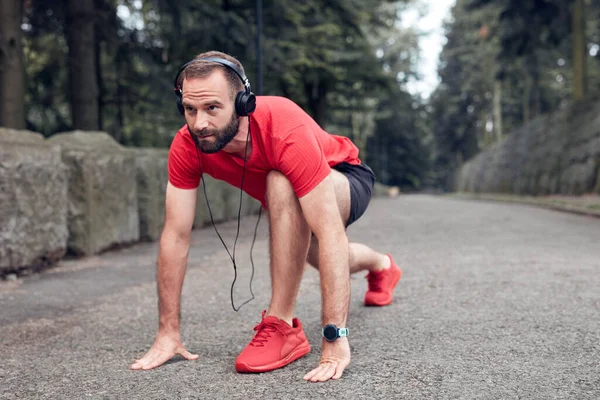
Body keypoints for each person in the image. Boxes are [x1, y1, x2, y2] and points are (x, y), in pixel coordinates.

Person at [130, 51, 402, 382]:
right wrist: (167, 332)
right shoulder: (188, 145)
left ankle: (281, 324)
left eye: (212, 108)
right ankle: (382, 266)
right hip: (290, 199)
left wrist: (335, 339)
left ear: (242, 102)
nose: (199, 123)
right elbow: (175, 235)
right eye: (190, 109)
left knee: (282, 183)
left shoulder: (282, 126)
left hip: (343, 176)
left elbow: (331, 232)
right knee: (317, 253)